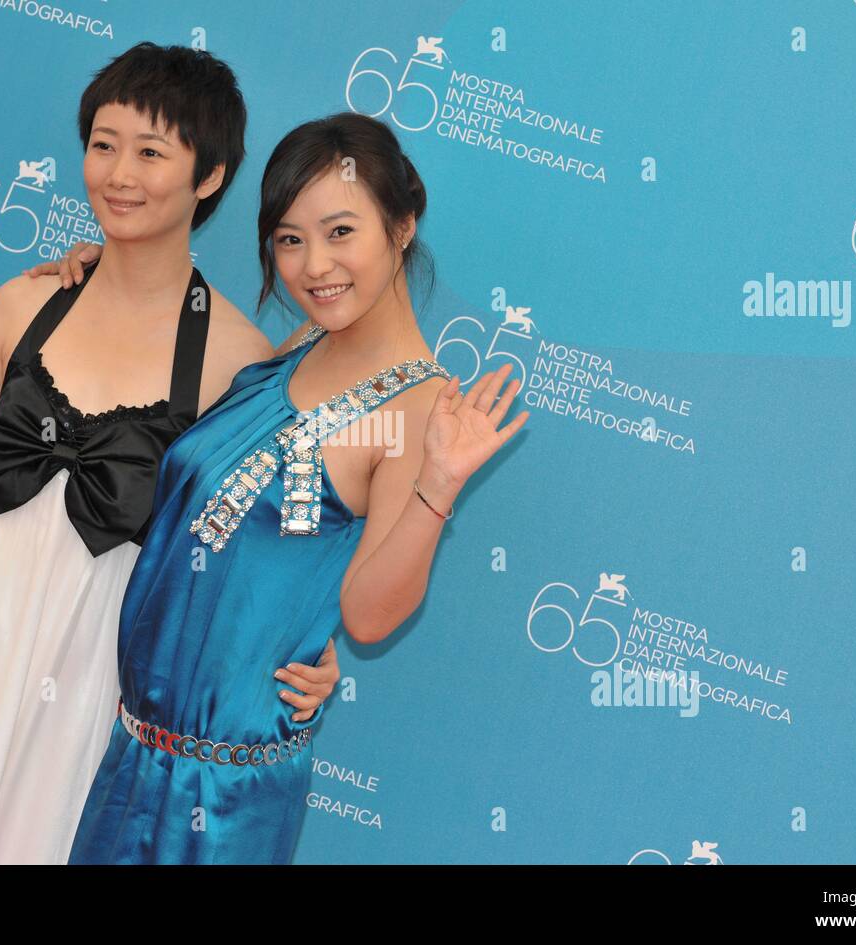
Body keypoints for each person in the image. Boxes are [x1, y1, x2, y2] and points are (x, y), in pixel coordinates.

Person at [0, 42, 340, 865]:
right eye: (103, 145)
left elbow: (253, 554)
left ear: (210, 176)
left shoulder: (237, 360)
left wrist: (317, 650)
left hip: (88, 666)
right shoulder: (24, 302)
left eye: (151, 152)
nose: (119, 174)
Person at [43, 111, 530, 864]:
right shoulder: (300, 346)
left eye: (341, 232)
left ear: (402, 226)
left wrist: (437, 488)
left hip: (224, 794)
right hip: (135, 752)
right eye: (290, 239)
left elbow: (369, 615)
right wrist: (105, 268)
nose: (313, 265)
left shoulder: (418, 411)